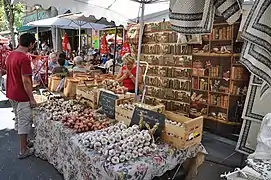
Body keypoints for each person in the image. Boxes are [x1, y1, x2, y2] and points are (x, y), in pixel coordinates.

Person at [6, 33, 36, 159]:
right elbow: (26, 81)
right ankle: (23, 150)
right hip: (21, 95)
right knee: (24, 121)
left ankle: (26, 142)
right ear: (30, 44)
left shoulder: (11, 54)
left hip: (11, 93)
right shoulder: (24, 58)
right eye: (33, 44)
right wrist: (32, 98)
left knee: (19, 118)